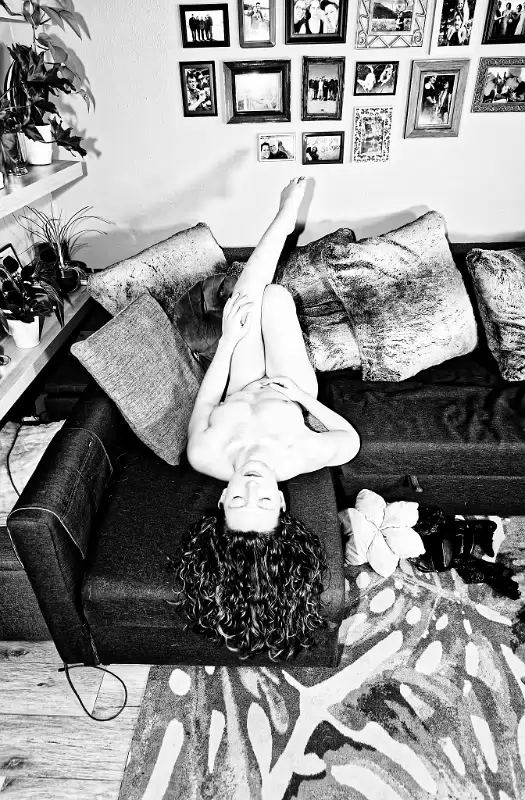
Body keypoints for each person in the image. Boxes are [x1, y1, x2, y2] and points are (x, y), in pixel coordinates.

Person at [175, 178, 360, 660]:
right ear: (280, 502)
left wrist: (229, 343)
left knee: (244, 306)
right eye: (264, 501)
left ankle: (283, 219)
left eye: (239, 499)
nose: (253, 487)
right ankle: (283, 221)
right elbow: (349, 441)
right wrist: (303, 398)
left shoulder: (204, 454)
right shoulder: (297, 455)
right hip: (285, 386)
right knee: (274, 297)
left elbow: (207, 398)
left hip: (239, 384)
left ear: (222, 499)